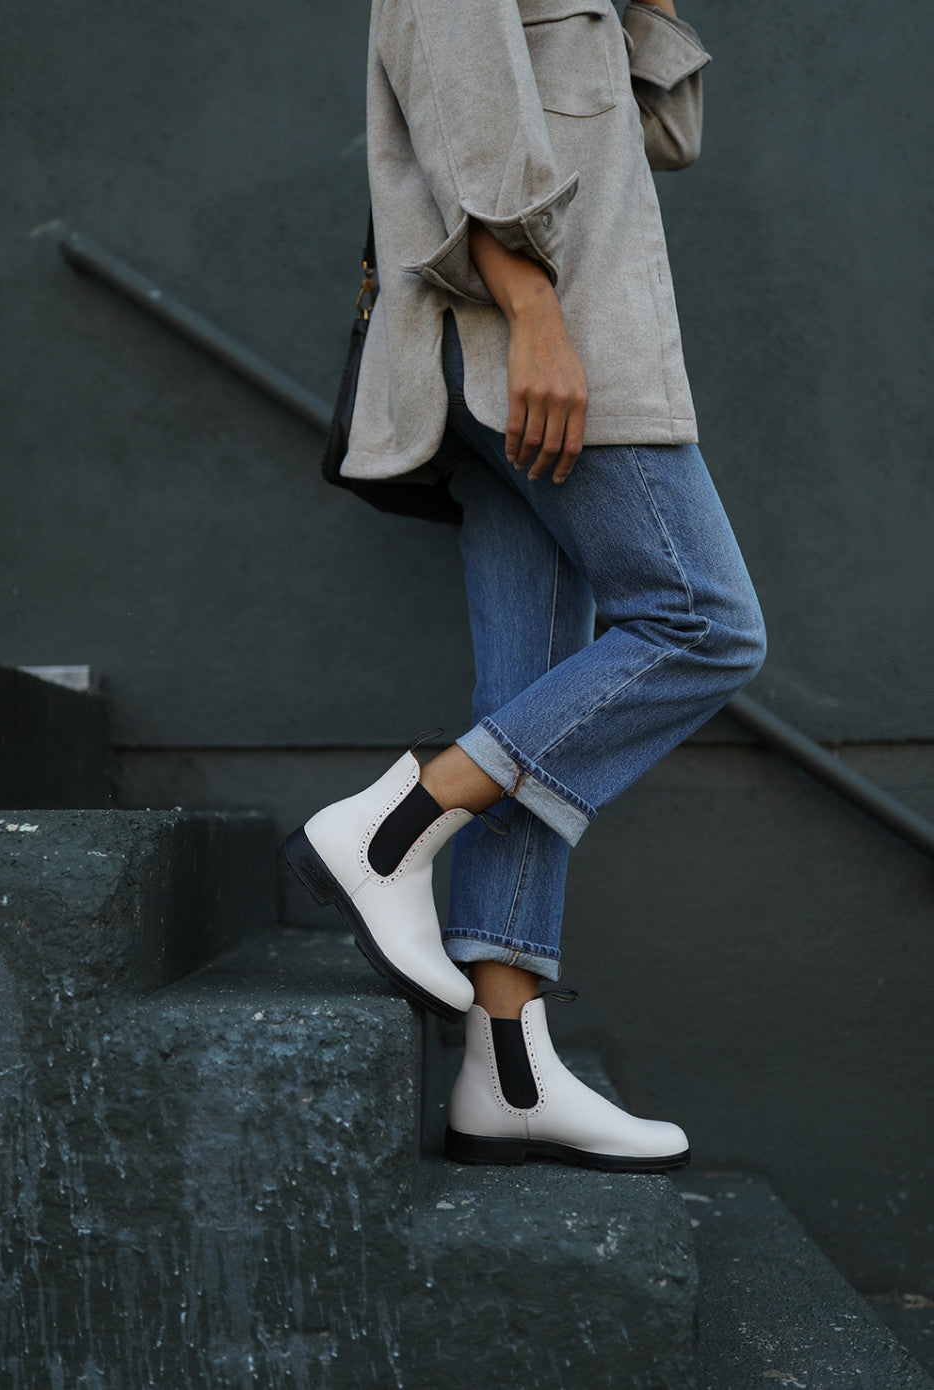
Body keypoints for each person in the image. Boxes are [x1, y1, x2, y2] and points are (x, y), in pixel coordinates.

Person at [286, 0, 766, 1171]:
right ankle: (394, 825)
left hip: (553, 337)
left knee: (535, 690)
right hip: (531, 339)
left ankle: (505, 1068)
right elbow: (458, 98)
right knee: (702, 622)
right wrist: (536, 314)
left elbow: (656, 136)